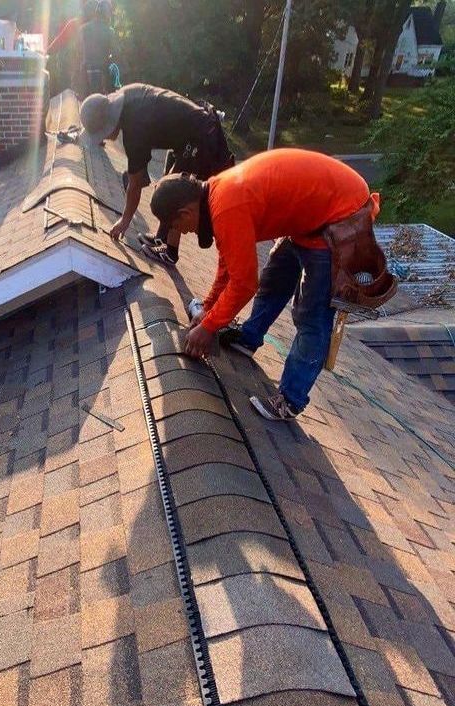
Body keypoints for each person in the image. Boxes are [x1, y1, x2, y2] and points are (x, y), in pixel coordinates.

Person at [148, 149, 382, 421]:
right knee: (275, 277)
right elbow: (229, 265)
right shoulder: (216, 195)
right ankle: (249, 338)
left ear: (185, 211)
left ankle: (291, 400)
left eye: (180, 226)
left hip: (339, 214)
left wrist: (209, 326)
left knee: (311, 316)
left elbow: (244, 284)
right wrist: (207, 311)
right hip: (312, 210)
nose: (185, 232)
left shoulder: (226, 206)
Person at [79, 83, 234, 264]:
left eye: (102, 133)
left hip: (201, 137)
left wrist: (124, 221)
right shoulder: (126, 97)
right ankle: (162, 238)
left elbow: (135, 184)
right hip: (187, 137)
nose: (103, 138)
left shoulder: (134, 128)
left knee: (174, 195)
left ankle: (170, 251)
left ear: (109, 122)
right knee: (167, 186)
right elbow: (138, 176)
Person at [79, 1, 116, 96]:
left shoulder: (83, 29)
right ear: (106, 13)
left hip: (85, 74)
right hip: (102, 72)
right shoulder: (109, 31)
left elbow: (77, 52)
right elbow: (115, 52)